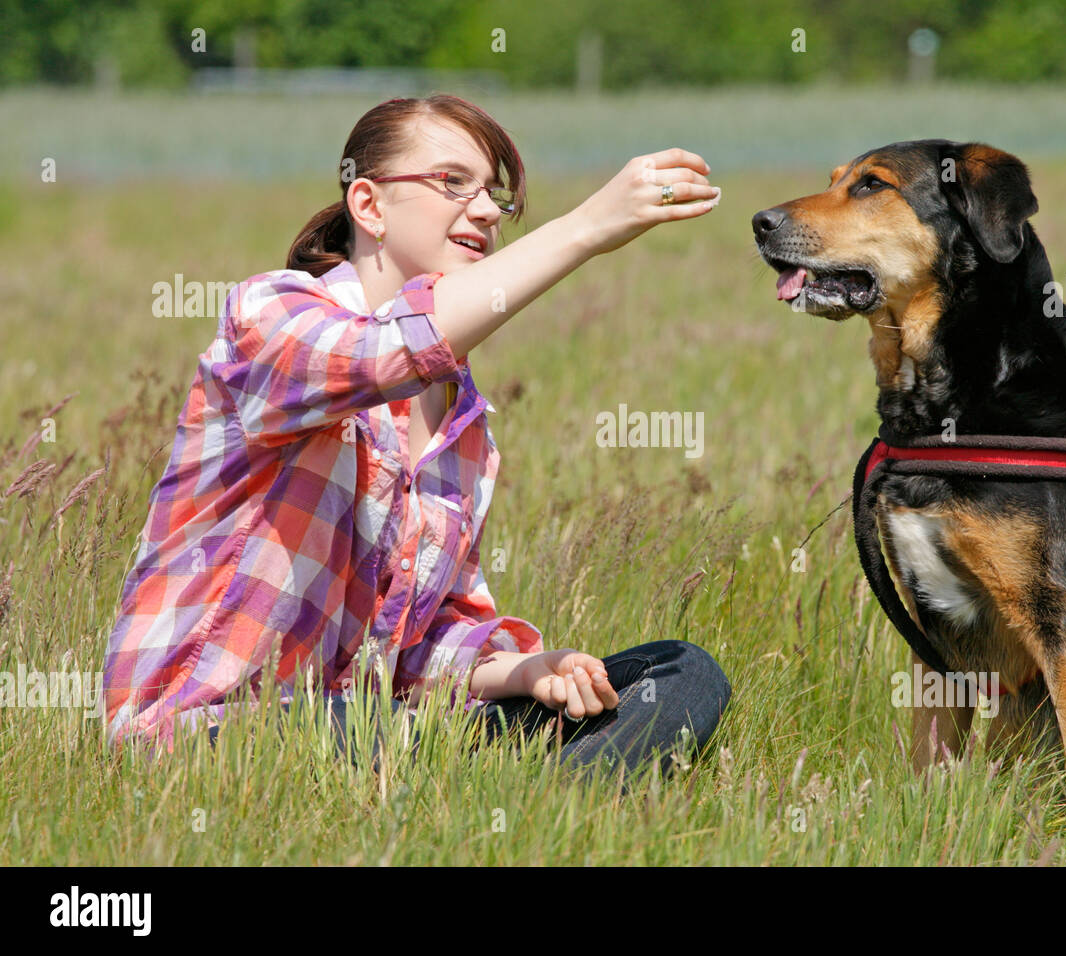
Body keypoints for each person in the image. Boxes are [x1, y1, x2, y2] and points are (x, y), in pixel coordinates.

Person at [100, 94, 731, 779]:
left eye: (494, 193)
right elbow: (383, 355)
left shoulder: (464, 424)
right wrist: (583, 228)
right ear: (369, 206)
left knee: (679, 674)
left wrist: (530, 671)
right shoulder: (269, 316)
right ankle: (495, 790)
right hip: (208, 731)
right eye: (453, 182)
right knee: (363, 728)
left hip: (372, 726)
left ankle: (553, 809)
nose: (487, 211)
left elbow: (425, 643)